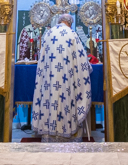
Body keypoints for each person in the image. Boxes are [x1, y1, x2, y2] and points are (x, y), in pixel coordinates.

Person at [32, 14, 92, 142]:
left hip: (49, 79)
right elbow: (82, 61)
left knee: (50, 101)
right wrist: (89, 66)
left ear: (59, 21)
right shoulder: (72, 34)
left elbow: (41, 59)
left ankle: (49, 136)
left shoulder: (48, 34)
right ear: (70, 23)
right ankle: (68, 135)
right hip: (67, 80)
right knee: (67, 101)